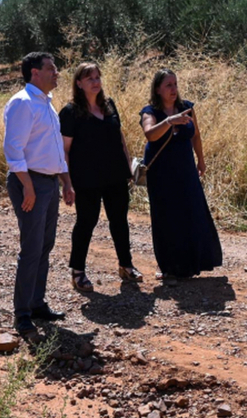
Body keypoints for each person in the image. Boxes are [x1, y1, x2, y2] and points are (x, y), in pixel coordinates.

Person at [3, 51, 76, 337]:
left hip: (48, 182)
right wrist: (28, 186)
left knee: (44, 246)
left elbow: (55, 149)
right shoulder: (22, 103)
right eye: (51, 68)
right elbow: (13, 149)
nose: (56, 73)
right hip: (29, 181)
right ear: (35, 72)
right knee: (31, 249)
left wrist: (66, 181)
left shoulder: (45, 103)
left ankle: (36, 304)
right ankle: (22, 315)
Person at [59, 63, 143, 292]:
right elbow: (63, 150)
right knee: (86, 222)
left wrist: (128, 168)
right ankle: (78, 272)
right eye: (89, 79)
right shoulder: (70, 112)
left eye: (98, 77)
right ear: (79, 83)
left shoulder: (109, 105)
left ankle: (126, 265)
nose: (96, 82)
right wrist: (67, 182)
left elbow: (120, 138)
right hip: (86, 178)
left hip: (115, 174)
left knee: (120, 221)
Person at [139, 68, 222, 286]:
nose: (173, 89)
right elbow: (149, 134)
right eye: (168, 85)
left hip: (185, 170)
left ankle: (190, 264)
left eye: (175, 84)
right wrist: (169, 122)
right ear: (157, 89)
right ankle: (168, 267)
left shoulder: (186, 108)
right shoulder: (150, 111)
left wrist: (201, 160)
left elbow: (196, 135)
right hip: (162, 174)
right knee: (167, 217)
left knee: (191, 212)